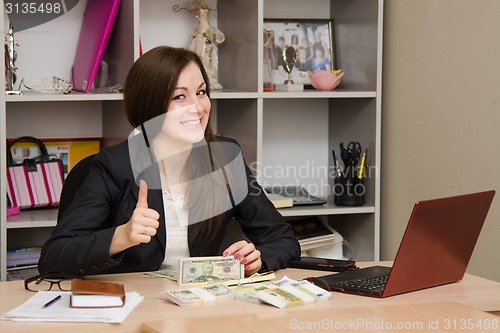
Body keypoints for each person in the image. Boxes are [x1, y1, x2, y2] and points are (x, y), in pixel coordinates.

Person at [38, 46, 300, 278]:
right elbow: (54, 257)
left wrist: (259, 258)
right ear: (150, 105)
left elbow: (282, 239)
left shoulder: (223, 157)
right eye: (180, 97)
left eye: (201, 92)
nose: (197, 107)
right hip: (135, 309)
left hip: (198, 306)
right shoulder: (115, 165)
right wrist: (122, 236)